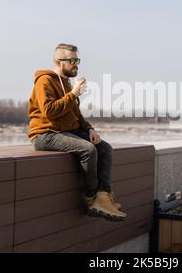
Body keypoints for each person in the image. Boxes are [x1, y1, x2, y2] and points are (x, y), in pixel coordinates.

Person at [27, 43, 127, 222]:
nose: (76, 64)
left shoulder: (65, 83)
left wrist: (89, 128)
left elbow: (74, 113)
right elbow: (49, 111)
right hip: (45, 134)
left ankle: (104, 197)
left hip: (65, 131)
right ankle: (91, 199)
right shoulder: (45, 81)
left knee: (104, 148)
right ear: (58, 61)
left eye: (77, 60)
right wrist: (73, 94)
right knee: (88, 150)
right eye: (72, 60)